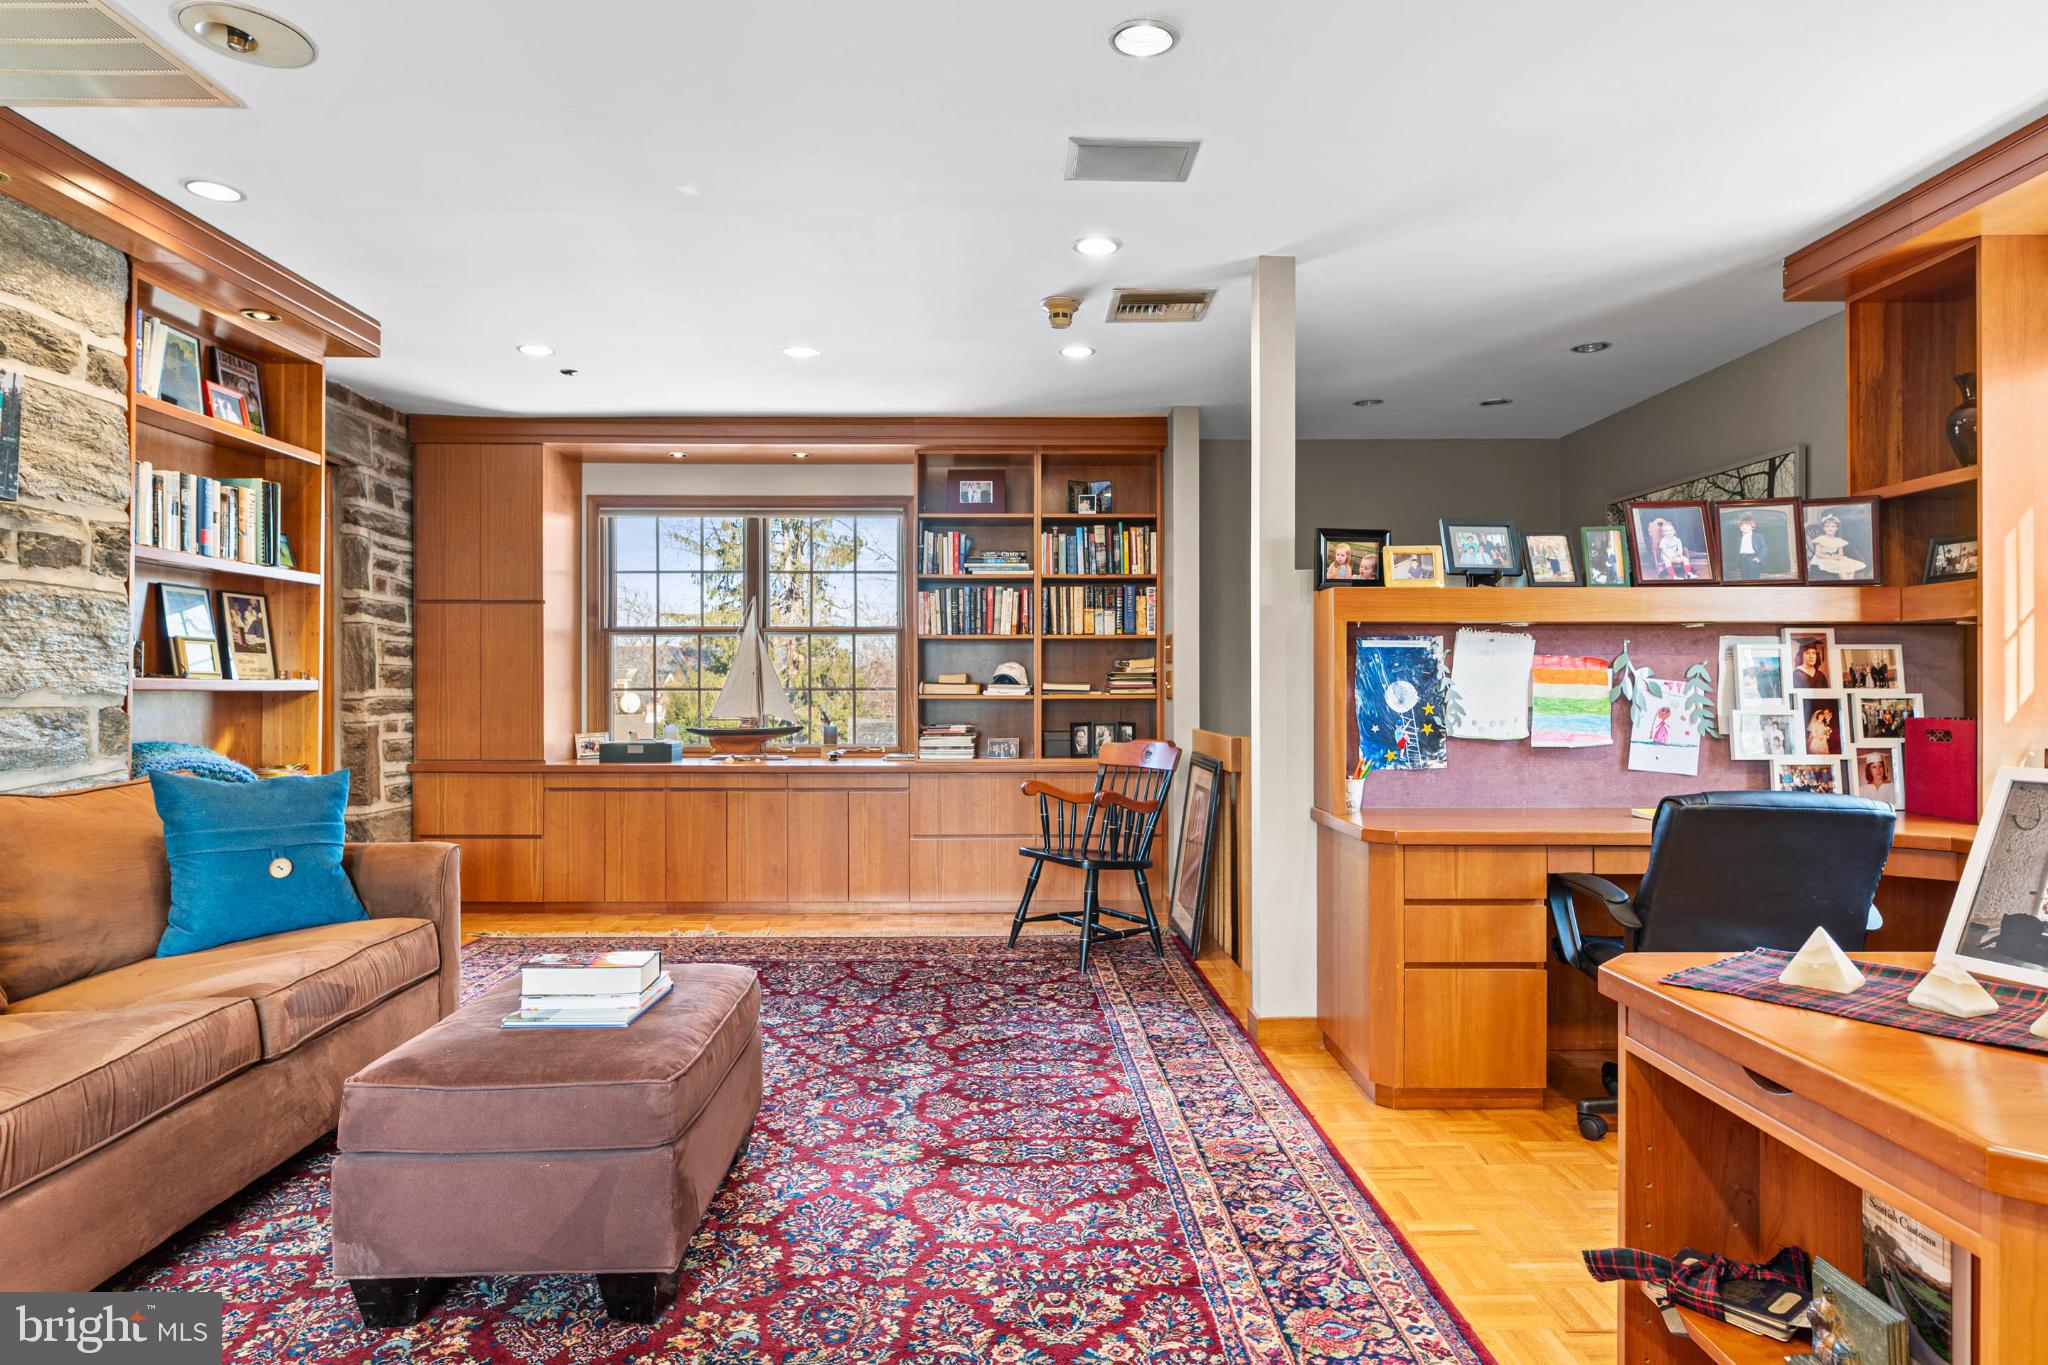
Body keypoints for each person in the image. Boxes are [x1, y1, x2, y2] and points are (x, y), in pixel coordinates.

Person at [1807, 513, 1868, 579]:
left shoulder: (1838, 540)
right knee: (1841, 569)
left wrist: (1839, 557)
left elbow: (1841, 553)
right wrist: (1832, 558)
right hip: (1822, 559)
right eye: (1827, 526)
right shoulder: (1820, 539)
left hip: (1834, 558)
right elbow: (1818, 554)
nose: (1830, 528)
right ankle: (1846, 583)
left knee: (1851, 567)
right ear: (1823, 528)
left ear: (1837, 528)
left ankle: (1850, 583)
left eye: (1833, 526)